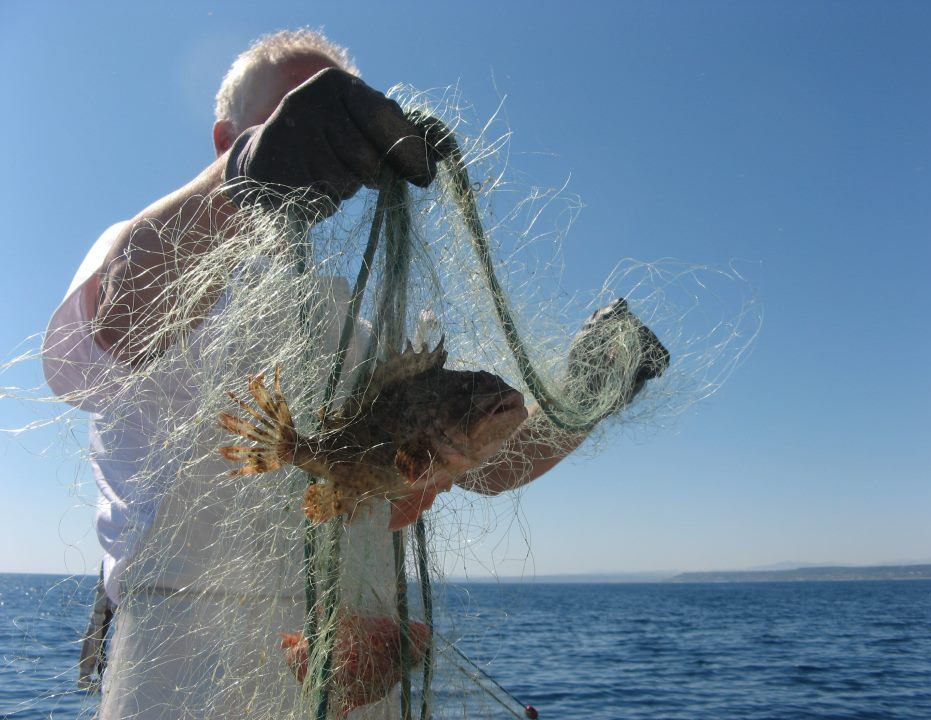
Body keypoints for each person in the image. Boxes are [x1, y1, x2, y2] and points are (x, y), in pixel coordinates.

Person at [42, 29, 667, 719]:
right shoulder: (151, 245)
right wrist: (243, 179)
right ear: (226, 139)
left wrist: (591, 390)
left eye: (335, 114)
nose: (317, 133)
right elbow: (112, 327)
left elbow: (485, 465)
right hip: (185, 673)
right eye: (291, 113)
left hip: (358, 668)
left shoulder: (360, 327)